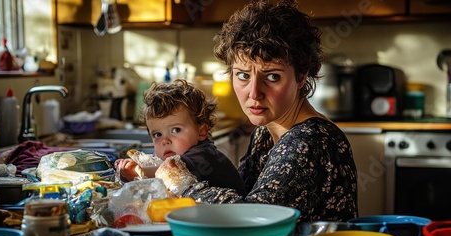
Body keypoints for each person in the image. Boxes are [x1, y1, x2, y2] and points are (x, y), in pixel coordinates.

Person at [171, 0, 358, 223]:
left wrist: (180, 184)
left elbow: (252, 218)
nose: (254, 93)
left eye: (272, 77)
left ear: (301, 76)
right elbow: (241, 194)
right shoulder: (266, 129)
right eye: (243, 75)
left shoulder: (310, 141)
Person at [114, 79, 247, 196]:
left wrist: (138, 171)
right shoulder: (172, 153)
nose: (165, 141)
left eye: (176, 130)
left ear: (201, 132)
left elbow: (171, 171)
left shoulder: (203, 155)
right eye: (157, 134)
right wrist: (128, 175)